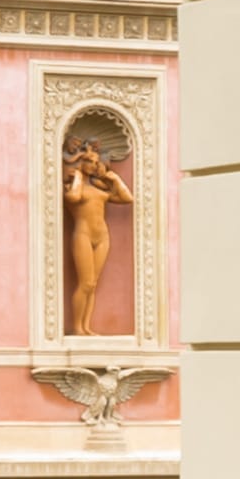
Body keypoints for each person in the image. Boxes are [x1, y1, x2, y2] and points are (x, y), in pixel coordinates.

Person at [61, 131, 136, 337]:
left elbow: (127, 198)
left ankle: (86, 327)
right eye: (91, 162)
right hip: (83, 235)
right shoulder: (74, 187)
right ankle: (77, 327)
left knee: (92, 284)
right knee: (85, 283)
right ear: (82, 163)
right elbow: (74, 198)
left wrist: (113, 177)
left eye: (96, 162)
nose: (95, 165)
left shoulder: (99, 190)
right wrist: (77, 177)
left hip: (102, 236)